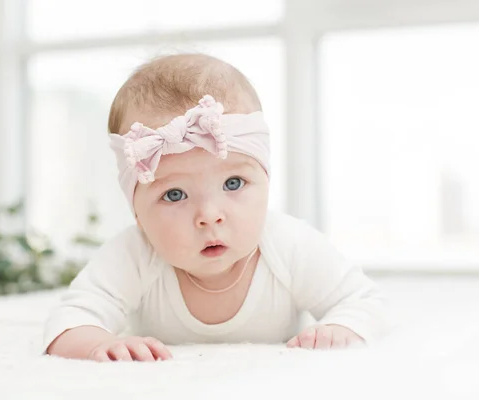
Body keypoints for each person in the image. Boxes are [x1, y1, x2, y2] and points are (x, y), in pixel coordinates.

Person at [43, 53, 389, 362]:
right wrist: (96, 344)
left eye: (233, 184)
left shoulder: (288, 244)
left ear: (266, 181)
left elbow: (362, 301)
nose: (209, 215)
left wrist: (340, 329)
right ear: (137, 211)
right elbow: (69, 321)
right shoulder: (135, 254)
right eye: (175, 195)